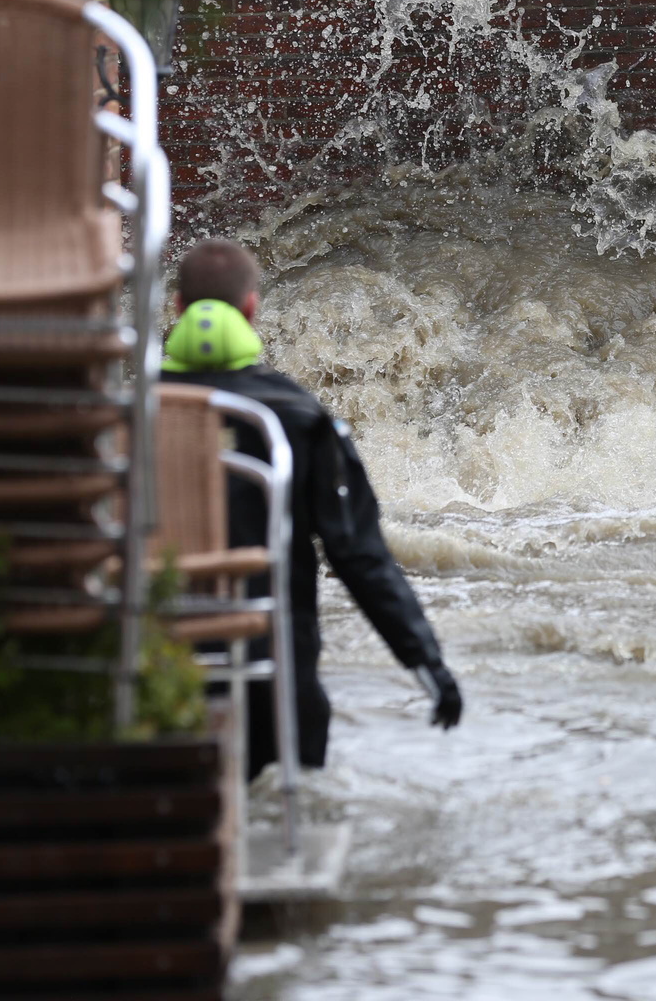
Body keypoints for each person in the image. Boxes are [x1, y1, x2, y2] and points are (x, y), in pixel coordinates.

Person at [163, 238, 462, 773]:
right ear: (251, 308)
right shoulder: (298, 417)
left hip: (155, 666)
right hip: (272, 674)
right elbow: (358, 554)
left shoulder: (128, 416)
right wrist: (426, 662)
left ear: (179, 309)